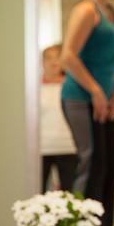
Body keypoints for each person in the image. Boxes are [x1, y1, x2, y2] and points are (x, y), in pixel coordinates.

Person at [60, 0, 114, 226]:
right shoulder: (86, 10)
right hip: (79, 98)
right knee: (91, 162)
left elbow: (108, 62)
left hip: (104, 100)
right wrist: (96, 90)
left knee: (109, 164)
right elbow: (68, 56)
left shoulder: (111, 12)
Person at [40, 44, 78, 192]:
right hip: (42, 148)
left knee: (69, 192)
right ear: (42, 62)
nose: (53, 62)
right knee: (38, 192)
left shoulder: (71, 87)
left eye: (57, 58)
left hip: (67, 146)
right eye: (49, 58)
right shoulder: (34, 88)